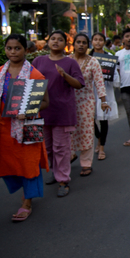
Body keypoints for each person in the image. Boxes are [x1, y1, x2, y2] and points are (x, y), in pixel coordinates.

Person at [0, 34, 50, 221]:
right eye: (9, 48)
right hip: (3, 128)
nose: (13, 52)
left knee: (29, 163)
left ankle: (27, 201)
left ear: (26, 50)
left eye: (17, 48)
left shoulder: (35, 75)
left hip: (27, 126)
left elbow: (46, 102)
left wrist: (28, 110)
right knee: (7, 162)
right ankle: (24, 191)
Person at [32, 30, 84, 197]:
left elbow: (79, 84)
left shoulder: (70, 63)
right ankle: (56, 172)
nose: (56, 42)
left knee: (61, 148)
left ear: (65, 44)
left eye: (60, 40)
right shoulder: (38, 61)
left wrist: (65, 75)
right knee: (47, 148)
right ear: (48, 42)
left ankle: (63, 180)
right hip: (42, 112)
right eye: (52, 39)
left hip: (63, 112)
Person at [70, 33, 109, 176]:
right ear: (73, 44)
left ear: (88, 45)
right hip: (68, 102)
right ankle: (70, 155)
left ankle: (86, 163)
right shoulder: (67, 60)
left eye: (84, 43)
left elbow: (99, 82)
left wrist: (104, 101)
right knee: (68, 131)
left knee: (86, 131)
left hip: (86, 101)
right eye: (78, 42)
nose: (81, 45)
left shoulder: (93, 62)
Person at [90, 32, 119, 160]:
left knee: (103, 119)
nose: (97, 42)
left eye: (100, 40)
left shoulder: (109, 57)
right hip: (90, 92)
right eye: (95, 40)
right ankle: (99, 137)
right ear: (92, 42)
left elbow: (116, 78)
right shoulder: (87, 57)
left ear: (104, 42)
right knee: (90, 119)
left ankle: (102, 147)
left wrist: (110, 75)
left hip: (105, 91)